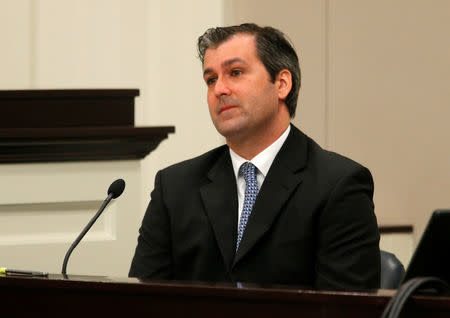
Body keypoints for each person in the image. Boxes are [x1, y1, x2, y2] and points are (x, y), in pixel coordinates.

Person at [129, 23, 380, 290]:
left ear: (282, 84)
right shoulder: (175, 186)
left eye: (235, 73)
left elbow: (344, 308)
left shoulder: (338, 184)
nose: (219, 90)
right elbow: (141, 301)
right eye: (211, 79)